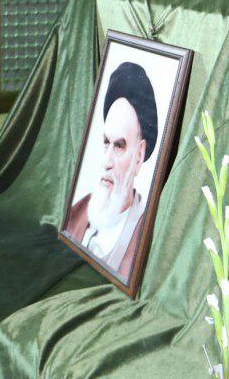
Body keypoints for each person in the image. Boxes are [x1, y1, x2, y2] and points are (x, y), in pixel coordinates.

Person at [66, 62, 159, 278]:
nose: (106, 161)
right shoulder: (76, 214)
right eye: (106, 142)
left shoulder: (143, 236)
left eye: (119, 146)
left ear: (139, 156)